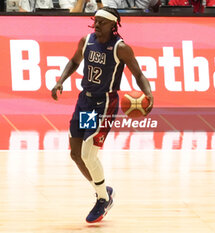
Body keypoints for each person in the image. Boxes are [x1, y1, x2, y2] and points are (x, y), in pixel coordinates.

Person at [51, 7, 153, 223]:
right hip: (85, 102)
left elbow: (139, 74)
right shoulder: (86, 41)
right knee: (77, 154)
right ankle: (103, 190)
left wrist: (148, 92)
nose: (96, 24)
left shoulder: (121, 48)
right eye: (95, 20)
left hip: (104, 104)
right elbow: (74, 61)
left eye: (101, 22)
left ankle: (102, 199)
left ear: (112, 25)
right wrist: (61, 80)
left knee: (89, 154)